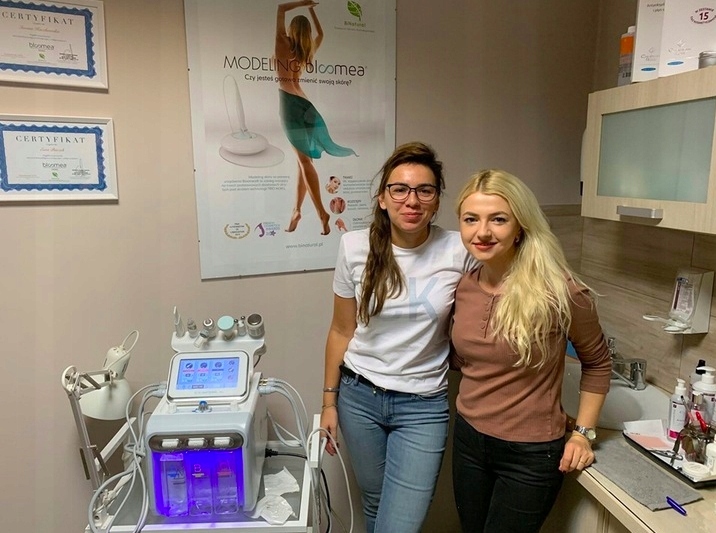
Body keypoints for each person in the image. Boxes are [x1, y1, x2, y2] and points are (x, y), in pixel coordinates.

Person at [320, 142, 476, 533]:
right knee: (375, 504)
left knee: (400, 523)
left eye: (425, 190)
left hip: (423, 405)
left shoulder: (458, 248)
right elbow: (341, 329)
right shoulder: (353, 246)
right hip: (359, 396)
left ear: (437, 200)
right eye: (400, 189)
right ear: (383, 198)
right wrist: (329, 403)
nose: (412, 200)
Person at [450, 169, 612, 533]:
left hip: (529, 453)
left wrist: (583, 433)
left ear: (520, 227)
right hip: (469, 440)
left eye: (498, 219)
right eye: (471, 219)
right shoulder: (465, 286)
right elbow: (467, 360)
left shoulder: (561, 291)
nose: (482, 232)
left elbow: (599, 363)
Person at [275, 1, 356, 235]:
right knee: (303, 161)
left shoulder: (282, 43)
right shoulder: (306, 50)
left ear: (291, 30)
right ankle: (296, 210)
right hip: (306, 104)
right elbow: (321, 34)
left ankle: (322, 212)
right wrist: (312, 10)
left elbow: (281, 8)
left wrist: (303, 3)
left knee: (304, 162)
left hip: (289, 105)